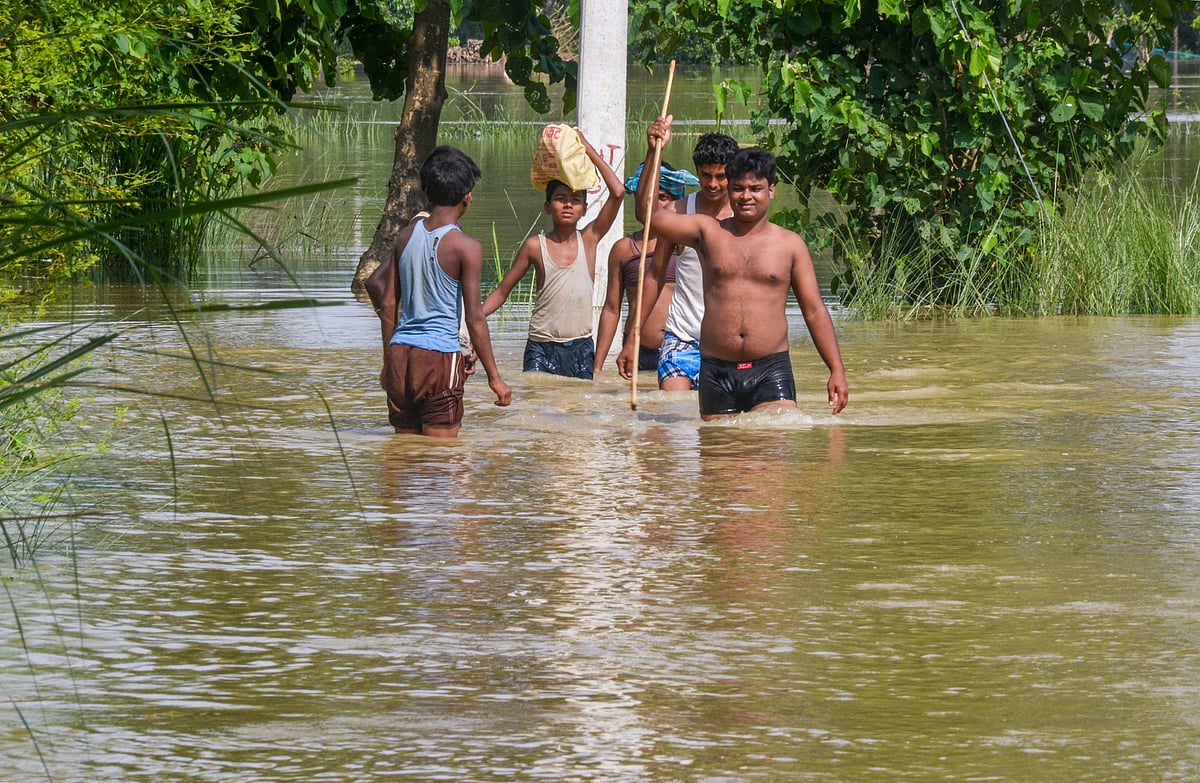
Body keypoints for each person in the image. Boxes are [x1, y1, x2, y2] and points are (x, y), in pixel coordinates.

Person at [633, 116, 849, 419]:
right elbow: (647, 214)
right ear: (729, 190)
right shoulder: (707, 232)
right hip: (717, 370)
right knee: (719, 461)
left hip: (770, 368)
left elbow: (813, 310)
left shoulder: (789, 245)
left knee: (774, 454)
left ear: (771, 191)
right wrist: (653, 152)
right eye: (738, 188)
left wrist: (836, 369)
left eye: (755, 188)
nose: (746, 196)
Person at [368, 145, 511, 437]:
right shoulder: (466, 248)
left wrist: (388, 362)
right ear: (468, 197)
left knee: (405, 457)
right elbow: (474, 318)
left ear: (428, 195)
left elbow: (388, 301)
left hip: (400, 355)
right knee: (442, 461)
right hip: (437, 358)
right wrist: (495, 378)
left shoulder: (405, 237)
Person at [483, 129, 625, 380]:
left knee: (576, 412)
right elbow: (503, 291)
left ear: (584, 209)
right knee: (538, 409)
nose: (568, 204)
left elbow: (618, 192)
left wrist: (588, 149)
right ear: (548, 207)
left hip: (580, 348)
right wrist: (474, 317)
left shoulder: (589, 239)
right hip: (541, 347)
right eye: (561, 199)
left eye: (576, 200)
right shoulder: (535, 246)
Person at [617, 131, 740, 390]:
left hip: (725, 343)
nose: (714, 184)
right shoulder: (679, 212)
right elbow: (655, 275)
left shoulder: (744, 216)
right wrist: (632, 338)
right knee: (673, 416)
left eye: (721, 176)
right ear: (697, 173)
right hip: (682, 337)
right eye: (706, 176)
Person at [592, 161, 698, 375]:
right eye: (648, 197)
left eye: (663, 197)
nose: (654, 205)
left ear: (675, 201)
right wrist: (598, 366)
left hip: (684, 347)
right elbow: (612, 309)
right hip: (639, 351)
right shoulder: (624, 249)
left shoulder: (687, 244)